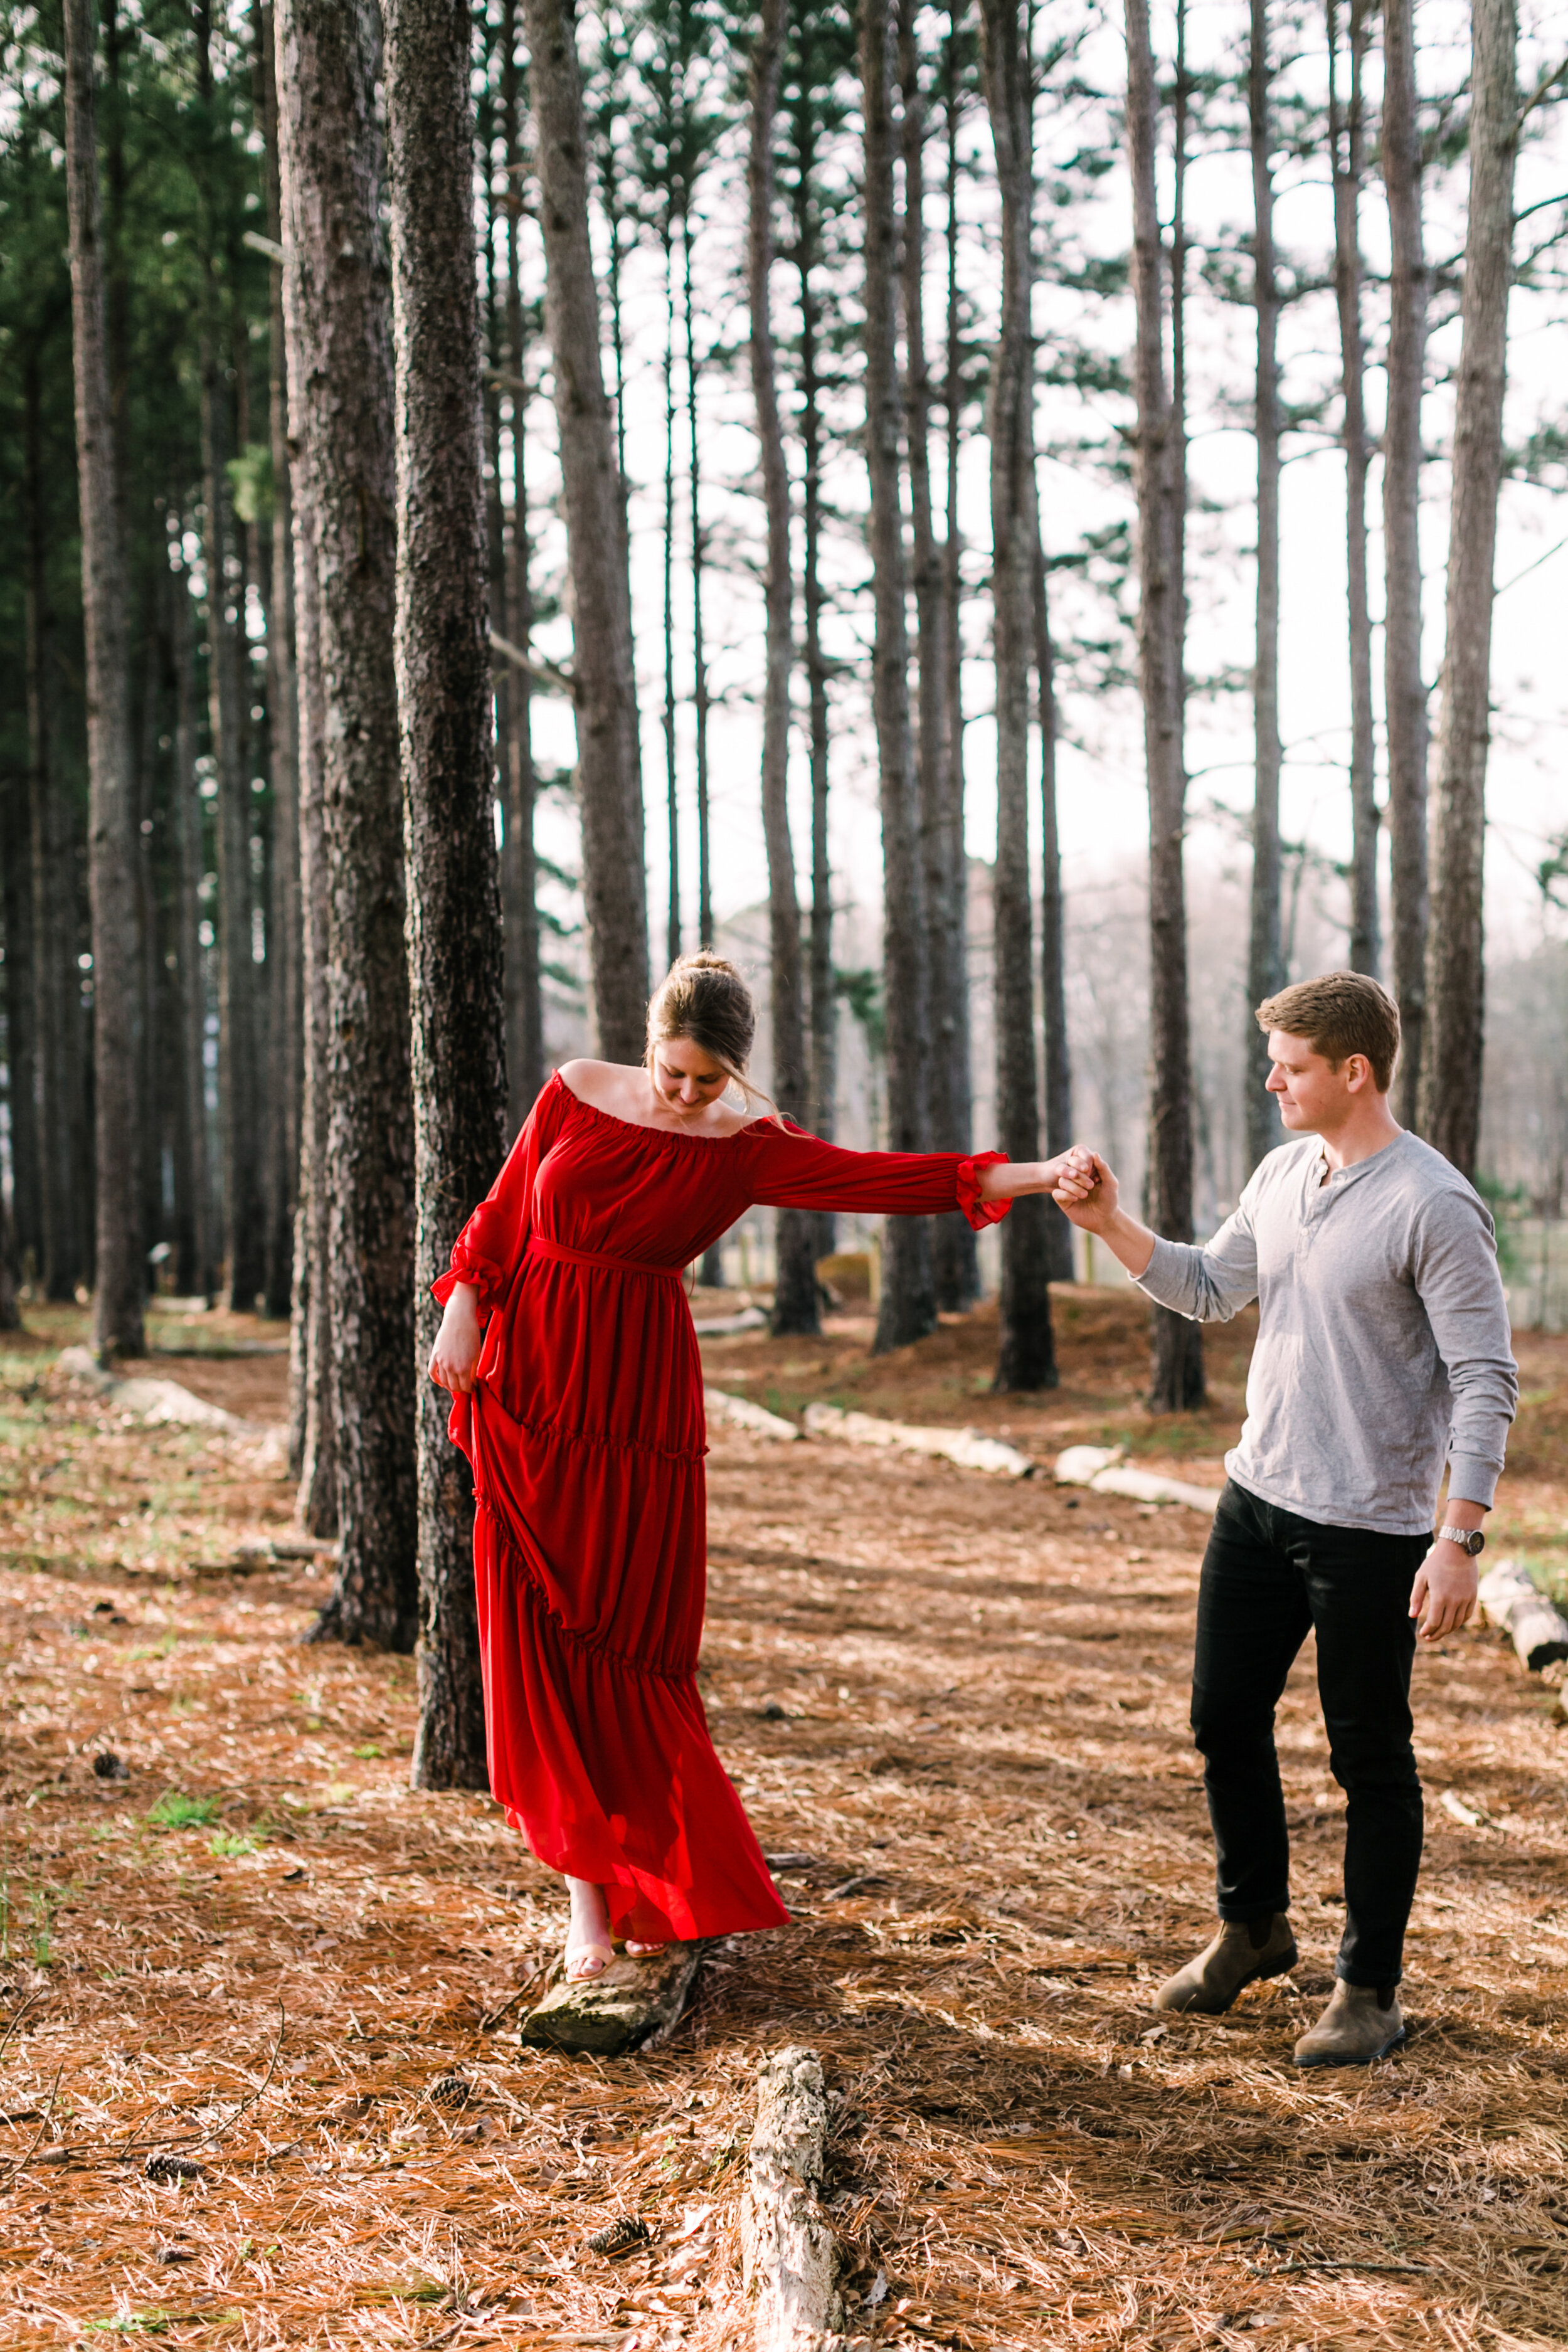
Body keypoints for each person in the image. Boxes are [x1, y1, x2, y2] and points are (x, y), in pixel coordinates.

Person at [429, 951, 1089, 1982]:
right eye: (672, 1071)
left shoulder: (744, 1147)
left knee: (626, 1635)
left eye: (707, 1080)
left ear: (736, 1071)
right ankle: (586, 1906)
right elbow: (505, 1214)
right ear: (646, 1040)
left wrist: (1036, 1176)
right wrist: (465, 1306)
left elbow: (888, 1180)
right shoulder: (574, 1090)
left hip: (636, 1406)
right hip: (535, 1387)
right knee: (545, 1631)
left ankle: (646, 1885)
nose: (685, 1095)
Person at [1050, 972, 1517, 2066]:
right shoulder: (1282, 1171)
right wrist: (1110, 1221)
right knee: (1221, 1719)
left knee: (1369, 1757)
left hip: (1372, 1528)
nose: (1273, 1080)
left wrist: (1459, 1535)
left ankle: (1369, 1988)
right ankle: (1253, 1926)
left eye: (1292, 1065)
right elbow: (1212, 1288)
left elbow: (1486, 1377)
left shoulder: (1433, 1203)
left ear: (1354, 1071)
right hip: (1257, 1502)